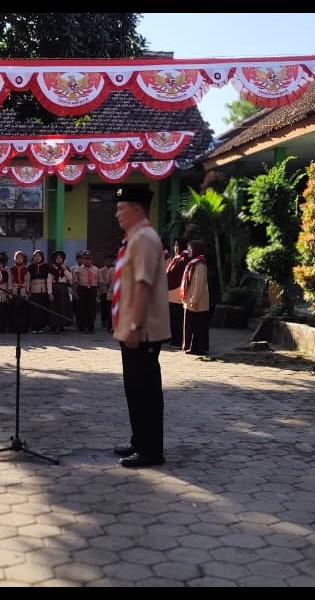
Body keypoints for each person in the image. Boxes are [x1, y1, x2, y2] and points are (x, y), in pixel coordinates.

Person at [111, 187, 170, 468]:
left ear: (137, 209)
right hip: (133, 328)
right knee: (135, 390)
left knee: (145, 392)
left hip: (143, 330)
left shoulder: (144, 238)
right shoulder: (134, 238)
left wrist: (134, 325)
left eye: (121, 208)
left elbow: (143, 285)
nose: (117, 214)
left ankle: (150, 450)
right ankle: (139, 441)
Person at [180, 240, 210, 355]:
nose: (188, 251)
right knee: (191, 325)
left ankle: (197, 348)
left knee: (196, 326)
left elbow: (199, 284)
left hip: (197, 301)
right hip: (190, 299)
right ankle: (191, 347)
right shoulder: (193, 263)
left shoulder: (200, 264)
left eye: (190, 249)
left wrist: (194, 299)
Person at [165, 237, 189, 348]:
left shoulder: (184, 258)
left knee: (177, 318)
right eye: (175, 245)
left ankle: (178, 340)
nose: (175, 247)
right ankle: (173, 339)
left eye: (177, 245)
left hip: (177, 293)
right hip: (170, 293)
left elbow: (180, 276)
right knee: (172, 318)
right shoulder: (177, 257)